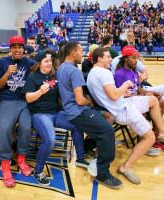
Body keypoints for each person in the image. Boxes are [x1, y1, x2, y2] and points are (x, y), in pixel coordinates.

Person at [87, 47, 159, 184]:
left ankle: (160, 133)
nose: (111, 60)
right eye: (108, 57)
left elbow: (110, 94)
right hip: (122, 109)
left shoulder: (92, 73)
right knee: (150, 137)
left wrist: (122, 92)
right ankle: (125, 167)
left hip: (121, 104)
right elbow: (114, 95)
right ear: (99, 59)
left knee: (153, 100)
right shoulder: (104, 73)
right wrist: (126, 85)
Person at [57, 41, 122, 189]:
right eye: (80, 51)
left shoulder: (62, 67)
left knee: (104, 122)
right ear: (72, 53)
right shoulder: (74, 71)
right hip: (77, 112)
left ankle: (89, 149)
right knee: (107, 131)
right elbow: (80, 100)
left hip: (70, 110)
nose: (83, 54)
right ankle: (103, 174)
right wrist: (89, 102)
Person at [23, 50, 87, 186]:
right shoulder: (33, 77)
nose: (49, 63)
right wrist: (40, 91)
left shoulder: (54, 75)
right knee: (50, 140)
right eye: (46, 61)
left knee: (77, 125)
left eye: (50, 61)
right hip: (40, 115)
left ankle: (81, 158)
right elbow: (28, 98)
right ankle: (38, 171)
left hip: (56, 113)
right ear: (39, 63)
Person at [0, 35, 35, 188]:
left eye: (20, 47)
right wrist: (7, 74)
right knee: (4, 129)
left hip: (24, 100)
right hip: (7, 100)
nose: (17, 49)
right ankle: (5, 163)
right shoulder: (2, 62)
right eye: (14, 47)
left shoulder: (28, 62)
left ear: (23, 49)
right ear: (10, 49)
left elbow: (40, 66)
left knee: (26, 127)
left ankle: (21, 158)